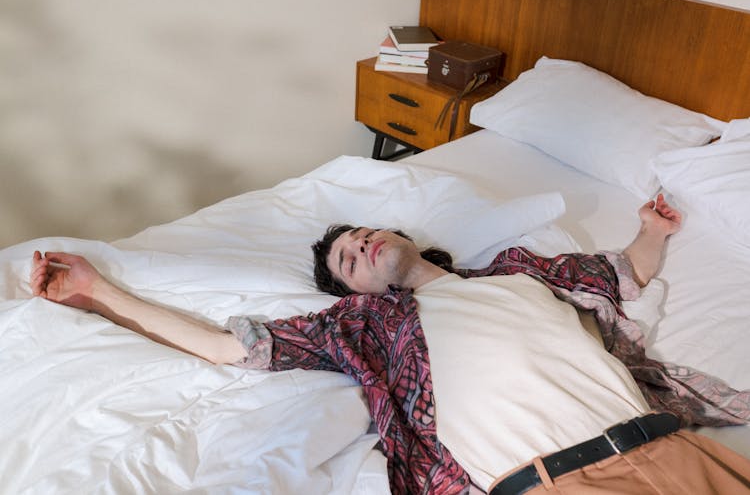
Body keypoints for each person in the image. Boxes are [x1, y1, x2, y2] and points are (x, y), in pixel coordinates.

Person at [30, 194, 750, 495]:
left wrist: (653, 228)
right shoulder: (363, 330)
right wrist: (98, 290)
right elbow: (229, 349)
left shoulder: (517, 271)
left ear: (407, 238)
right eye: (345, 259)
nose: (359, 245)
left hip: (674, 448)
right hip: (550, 484)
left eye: (363, 234)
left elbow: (622, 273)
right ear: (354, 294)